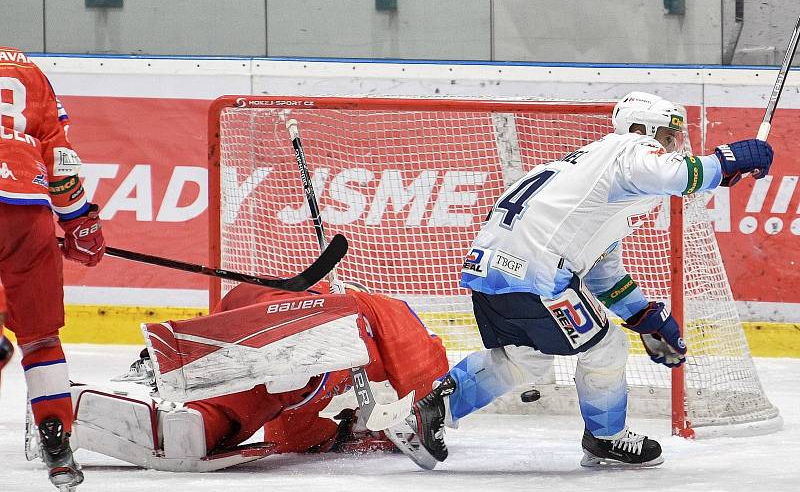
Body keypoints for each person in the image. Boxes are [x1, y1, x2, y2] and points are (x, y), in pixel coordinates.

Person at [407, 91, 774, 468]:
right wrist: (728, 159)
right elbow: (678, 174)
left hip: (489, 271)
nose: (671, 146)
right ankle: (606, 438)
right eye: (666, 136)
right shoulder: (629, 148)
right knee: (606, 347)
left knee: (526, 357)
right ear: (639, 129)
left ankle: (430, 410)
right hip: (537, 273)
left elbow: (601, 270)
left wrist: (644, 316)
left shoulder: (592, 175)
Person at [59, 281, 448, 472]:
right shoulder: (392, 315)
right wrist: (416, 416)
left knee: (249, 393)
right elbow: (424, 373)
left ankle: (183, 413)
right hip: (309, 316)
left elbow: (289, 434)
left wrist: (342, 429)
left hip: (258, 309)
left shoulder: (355, 367)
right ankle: (192, 405)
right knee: (298, 375)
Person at [0, 46, 106, 492]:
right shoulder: (28, 68)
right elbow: (59, 157)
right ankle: (55, 437)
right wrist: (79, 220)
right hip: (29, 212)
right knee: (40, 338)